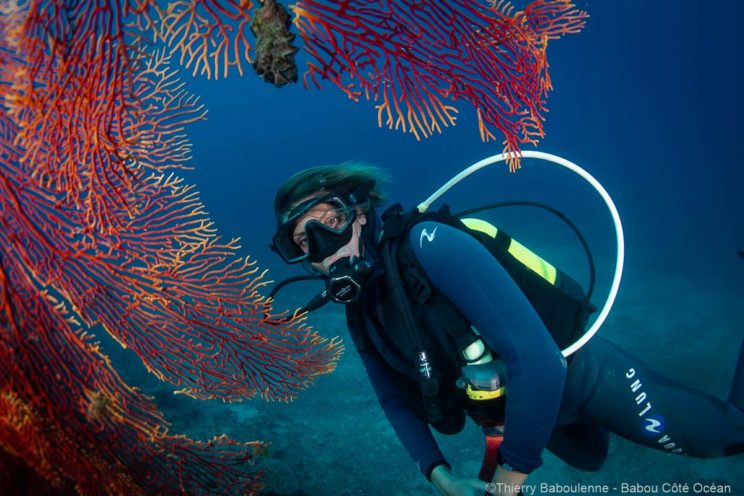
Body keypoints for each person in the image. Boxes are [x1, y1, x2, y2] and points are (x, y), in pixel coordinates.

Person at [269, 162, 744, 496]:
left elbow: (538, 360)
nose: (323, 247)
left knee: (728, 434)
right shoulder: (361, 311)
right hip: (532, 414)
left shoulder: (429, 245)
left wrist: (510, 479)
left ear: (360, 210)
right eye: (302, 242)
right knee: (591, 459)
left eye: (329, 221)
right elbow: (394, 402)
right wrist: (440, 475)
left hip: (580, 377)